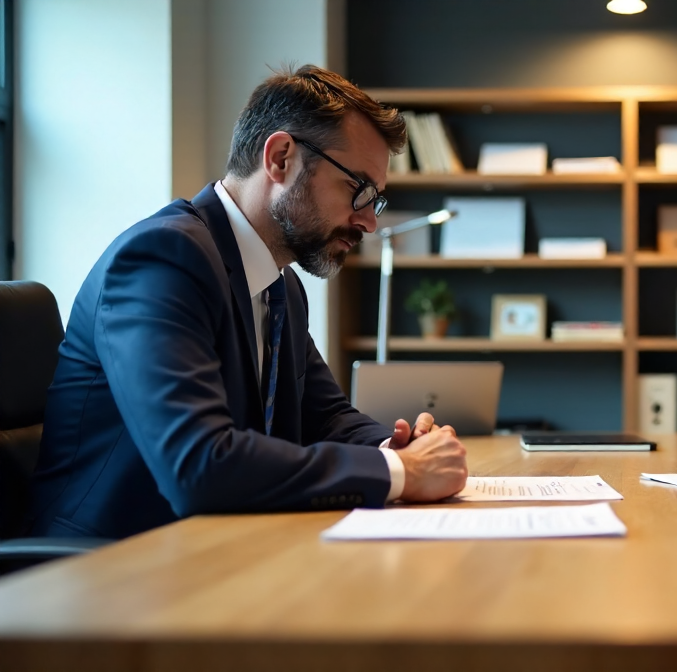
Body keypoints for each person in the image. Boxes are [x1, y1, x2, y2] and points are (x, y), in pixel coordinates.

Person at [26, 65, 468, 540]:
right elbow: (198, 464)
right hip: (108, 568)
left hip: (213, 548)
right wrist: (397, 472)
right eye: (358, 189)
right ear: (280, 158)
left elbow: (326, 417)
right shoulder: (161, 261)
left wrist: (397, 444)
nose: (368, 223)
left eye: (374, 201)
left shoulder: (279, 284)